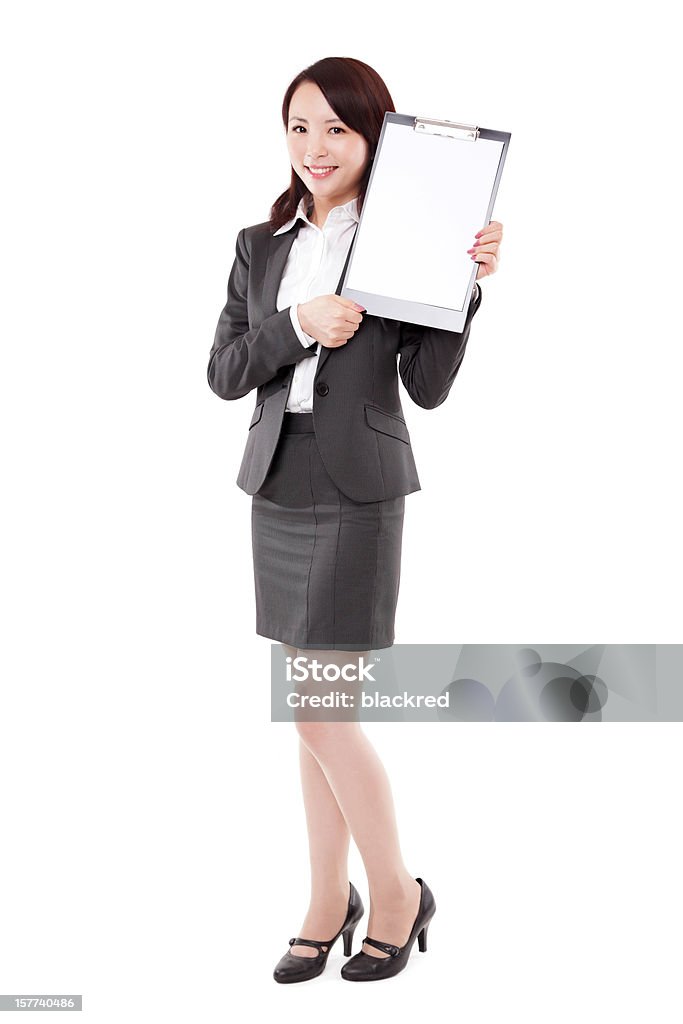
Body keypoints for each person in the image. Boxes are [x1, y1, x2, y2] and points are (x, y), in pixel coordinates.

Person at [207, 57, 503, 983]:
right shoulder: (263, 246)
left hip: (358, 488)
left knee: (319, 715)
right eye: (299, 127)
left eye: (336, 129)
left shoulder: (409, 240)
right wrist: (299, 322)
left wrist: (464, 291)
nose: (314, 148)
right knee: (312, 717)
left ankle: (396, 892)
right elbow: (223, 372)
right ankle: (325, 900)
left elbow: (427, 387)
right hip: (277, 481)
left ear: (373, 137)